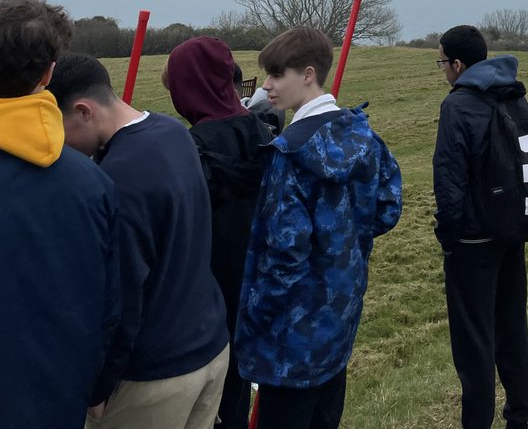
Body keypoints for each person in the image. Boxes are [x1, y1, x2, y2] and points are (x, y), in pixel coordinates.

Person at [49, 53, 230, 429]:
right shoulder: (173, 132)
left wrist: (98, 387)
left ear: (83, 110)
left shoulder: (117, 179)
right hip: (210, 347)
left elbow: (121, 299)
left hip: (154, 376)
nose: (59, 144)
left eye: (59, 128)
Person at [235, 24, 402, 429]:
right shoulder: (364, 136)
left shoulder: (288, 154)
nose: (267, 87)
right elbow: (387, 207)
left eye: (277, 75)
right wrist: (343, 245)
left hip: (290, 335)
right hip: (341, 313)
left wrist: (253, 319)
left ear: (308, 74)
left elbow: (285, 256)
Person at [0, 0, 120, 429]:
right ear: (50, 73)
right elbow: (109, 308)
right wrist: (94, 388)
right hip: (54, 398)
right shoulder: (93, 185)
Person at [433, 24, 528, 429]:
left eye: (442, 62)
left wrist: (448, 238)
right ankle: (517, 418)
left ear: (457, 63)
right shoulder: (510, 92)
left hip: (471, 242)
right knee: (512, 330)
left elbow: (448, 182)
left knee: (474, 347)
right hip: (510, 233)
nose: (442, 71)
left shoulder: (458, 105)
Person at [166, 37, 274, 429]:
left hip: (205, 293)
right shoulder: (264, 134)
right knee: (237, 389)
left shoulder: (190, 148)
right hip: (258, 280)